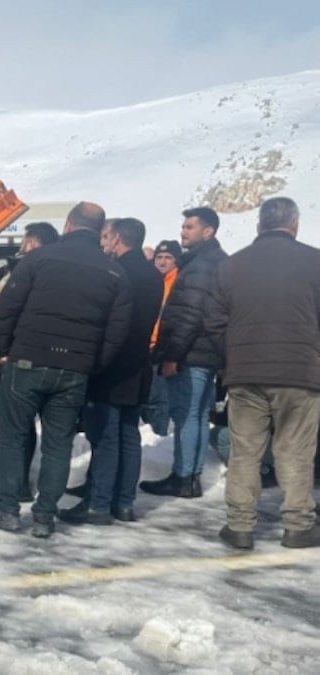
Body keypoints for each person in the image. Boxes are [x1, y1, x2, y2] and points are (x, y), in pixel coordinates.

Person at [0, 202, 131, 538]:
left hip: (27, 361)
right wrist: (92, 364)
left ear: (69, 225)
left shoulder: (37, 260)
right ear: (99, 230)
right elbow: (117, 332)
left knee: (14, 439)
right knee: (58, 445)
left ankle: (7, 509)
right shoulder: (114, 272)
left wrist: (1, 351)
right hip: (74, 368)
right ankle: (45, 516)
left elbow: (8, 309)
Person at [206, 197, 320, 550]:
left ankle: (240, 526)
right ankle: (298, 526)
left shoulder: (230, 265)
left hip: (244, 373)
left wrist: (233, 355)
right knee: (295, 451)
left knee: (245, 451)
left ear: (259, 225)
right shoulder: (316, 262)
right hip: (300, 373)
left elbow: (213, 321)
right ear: (295, 225)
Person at [59, 217, 163, 525]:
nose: (102, 244)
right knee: (129, 435)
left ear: (117, 238)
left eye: (105, 237)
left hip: (110, 364)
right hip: (138, 364)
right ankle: (124, 502)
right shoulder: (154, 275)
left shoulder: (116, 272)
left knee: (105, 436)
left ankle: (98, 504)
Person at [142, 207, 227, 498]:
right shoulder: (215, 261)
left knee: (188, 415)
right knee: (199, 415)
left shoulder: (201, 265)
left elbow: (191, 314)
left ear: (208, 231)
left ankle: (183, 477)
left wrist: (172, 356)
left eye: (189, 227)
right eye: (183, 227)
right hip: (208, 352)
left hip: (190, 354)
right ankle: (192, 476)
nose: (183, 232)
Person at [0, 221, 59, 501]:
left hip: (17, 357)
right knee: (26, 426)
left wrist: (1, 350)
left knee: (17, 426)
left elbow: (11, 313)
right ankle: (23, 484)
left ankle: (16, 487)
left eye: (26, 240)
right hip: (28, 354)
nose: (22, 246)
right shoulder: (49, 270)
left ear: (35, 243)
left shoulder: (30, 269)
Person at [141, 239, 182, 435]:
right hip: (146, 345)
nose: (163, 262)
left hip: (164, 347)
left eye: (168, 257)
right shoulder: (152, 280)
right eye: (159, 257)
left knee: (159, 398)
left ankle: (159, 437)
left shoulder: (179, 281)